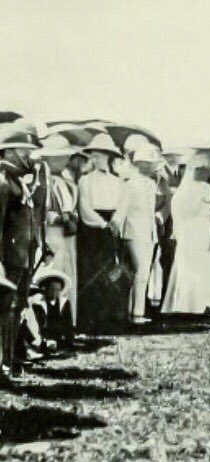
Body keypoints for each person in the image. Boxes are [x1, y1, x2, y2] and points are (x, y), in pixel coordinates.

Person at [0, 124, 51, 381]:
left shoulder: (19, 181)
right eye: (25, 150)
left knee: (17, 307)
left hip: (22, 257)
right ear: (10, 151)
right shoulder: (3, 183)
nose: (30, 156)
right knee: (6, 310)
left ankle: (11, 360)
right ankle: (4, 364)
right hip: (9, 259)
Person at [76, 133, 128, 334]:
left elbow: (123, 204)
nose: (97, 159)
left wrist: (115, 222)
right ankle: (91, 320)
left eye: (101, 155)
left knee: (112, 272)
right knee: (92, 273)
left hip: (112, 227)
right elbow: (85, 207)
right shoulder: (85, 181)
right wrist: (102, 224)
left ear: (109, 156)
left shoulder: (118, 182)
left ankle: (110, 319)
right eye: (94, 155)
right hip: (93, 230)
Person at [162, 159, 210, 315]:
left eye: (206, 170)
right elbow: (179, 212)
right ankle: (188, 303)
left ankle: (204, 302)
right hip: (190, 230)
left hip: (205, 228)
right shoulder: (184, 191)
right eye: (200, 170)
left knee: (206, 263)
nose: (204, 173)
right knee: (189, 264)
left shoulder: (209, 189)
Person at [113, 145, 161, 324]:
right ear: (140, 164)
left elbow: (150, 211)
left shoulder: (151, 184)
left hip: (148, 232)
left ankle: (135, 311)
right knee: (140, 272)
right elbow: (122, 210)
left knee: (143, 273)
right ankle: (136, 313)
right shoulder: (130, 184)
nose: (151, 167)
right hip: (133, 232)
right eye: (148, 163)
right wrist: (116, 227)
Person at [38, 139, 82, 325]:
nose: (64, 160)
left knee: (67, 273)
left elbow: (73, 207)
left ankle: (66, 321)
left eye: (65, 157)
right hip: (51, 233)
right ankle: (49, 321)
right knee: (52, 273)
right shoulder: (42, 181)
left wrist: (72, 218)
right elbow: (41, 210)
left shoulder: (67, 182)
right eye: (60, 157)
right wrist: (59, 219)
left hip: (67, 236)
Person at [28, 269, 74, 350]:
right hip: (43, 338)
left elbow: (68, 324)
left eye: (58, 290)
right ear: (45, 288)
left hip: (59, 338)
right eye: (52, 289)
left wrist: (69, 342)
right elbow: (36, 324)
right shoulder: (38, 302)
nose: (54, 292)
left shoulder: (64, 302)